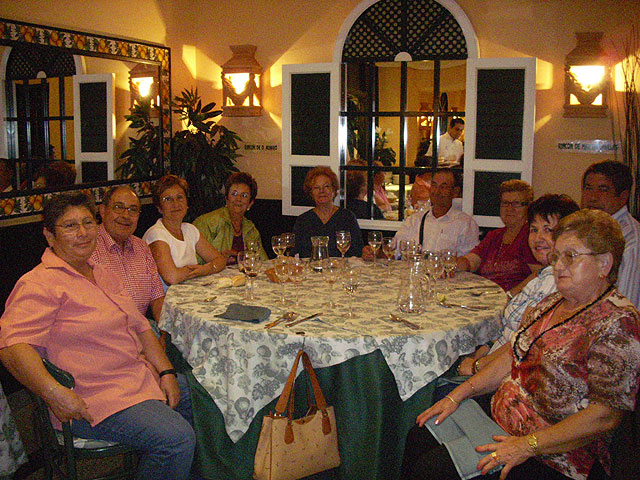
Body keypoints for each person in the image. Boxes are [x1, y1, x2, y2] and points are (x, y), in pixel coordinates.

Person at [403, 209, 640, 480]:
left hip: (553, 452)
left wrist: (526, 446)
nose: (558, 266)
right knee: (419, 435)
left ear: (604, 264)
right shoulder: (553, 303)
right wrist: (456, 396)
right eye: (557, 256)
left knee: (432, 469)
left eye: (571, 256)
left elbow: (605, 416)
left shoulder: (618, 323)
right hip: (502, 418)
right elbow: (512, 356)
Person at [0, 192, 196, 479]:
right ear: (49, 235)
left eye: (88, 223)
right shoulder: (39, 283)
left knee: (205, 398)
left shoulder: (101, 273)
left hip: (135, 379)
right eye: (70, 226)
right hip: (94, 398)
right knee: (176, 439)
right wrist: (53, 392)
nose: (82, 233)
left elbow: (142, 328)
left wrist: (166, 371)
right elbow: (12, 348)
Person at [457, 194, 580, 376]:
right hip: (491, 357)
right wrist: (480, 354)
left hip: (501, 375)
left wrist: (476, 366)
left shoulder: (556, 283)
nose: (538, 238)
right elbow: (507, 334)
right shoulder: (542, 276)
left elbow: (520, 347)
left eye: (548, 230)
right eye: (534, 230)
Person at [90, 185, 165, 329]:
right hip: (106, 332)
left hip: (143, 328)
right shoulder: (88, 249)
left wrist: (164, 332)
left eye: (133, 210)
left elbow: (157, 298)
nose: (126, 215)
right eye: (118, 207)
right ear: (103, 211)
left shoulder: (142, 247)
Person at [364, 169, 478, 260]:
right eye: (434, 185)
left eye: (443, 187)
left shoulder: (465, 224)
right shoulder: (415, 220)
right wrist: (374, 253)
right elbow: (393, 252)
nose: (437, 191)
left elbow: (468, 263)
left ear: (455, 192)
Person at [143, 175, 226, 289]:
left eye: (180, 197)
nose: (175, 203)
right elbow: (171, 277)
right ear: (159, 208)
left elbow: (220, 260)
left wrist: (205, 269)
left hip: (191, 292)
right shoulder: (156, 234)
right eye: (167, 199)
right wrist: (198, 270)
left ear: (187, 204)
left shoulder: (190, 230)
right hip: (166, 298)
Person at [457, 179, 539, 293]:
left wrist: (511, 295)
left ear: (528, 207)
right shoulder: (494, 235)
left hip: (514, 299)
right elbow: (472, 261)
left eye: (516, 203)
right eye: (505, 203)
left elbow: (539, 275)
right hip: (485, 295)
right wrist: (451, 264)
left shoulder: (530, 236)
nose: (509, 208)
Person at [581, 160, 640, 308]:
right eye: (588, 188)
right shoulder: (585, 229)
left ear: (623, 196)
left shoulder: (631, 241)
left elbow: (625, 306)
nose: (592, 197)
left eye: (603, 189)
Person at [193, 172, 267, 265]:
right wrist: (218, 259)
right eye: (234, 194)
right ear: (226, 199)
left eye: (244, 195)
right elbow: (193, 261)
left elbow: (263, 262)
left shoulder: (250, 229)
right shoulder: (206, 223)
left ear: (250, 203)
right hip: (214, 274)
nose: (238, 199)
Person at [293, 166, 364, 258]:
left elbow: (358, 250)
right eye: (316, 188)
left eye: (326, 186)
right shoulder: (303, 220)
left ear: (334, 190)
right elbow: (295, 253)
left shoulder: (347, 217)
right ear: (311, 193)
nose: (321, 191)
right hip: (311, 267)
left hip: (341, 267)